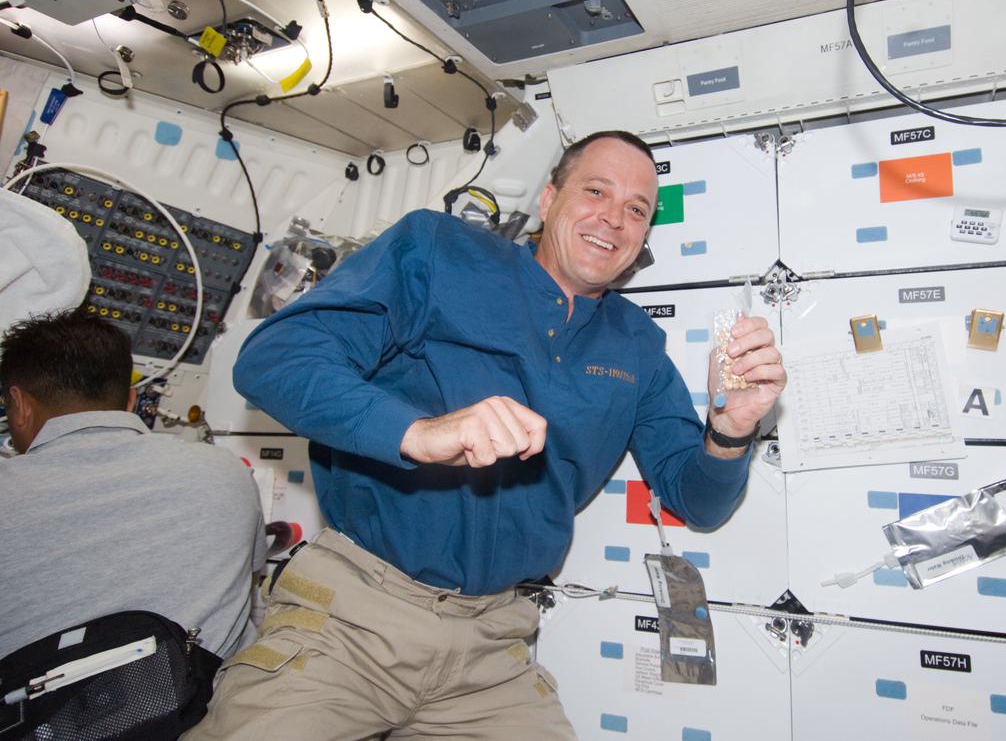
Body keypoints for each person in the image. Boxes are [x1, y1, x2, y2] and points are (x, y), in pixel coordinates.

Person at [185, 130, 787, 741]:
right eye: (596, 190)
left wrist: (730, 430)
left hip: (494, 646)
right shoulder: (439, 251)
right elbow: (275, 360)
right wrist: (415, 432)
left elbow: (698, 500)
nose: (614, 217)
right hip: (355, 619)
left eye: (637, 209)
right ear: (549, 199)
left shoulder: (639, 345)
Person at [0, 309, 266, 660]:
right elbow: (253, 578)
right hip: (213, 708)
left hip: (42, 712)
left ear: (18, 405)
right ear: (130, 400)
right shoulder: (225, 471)